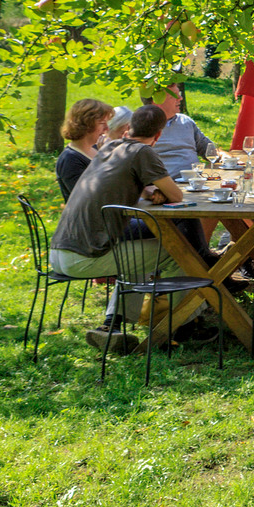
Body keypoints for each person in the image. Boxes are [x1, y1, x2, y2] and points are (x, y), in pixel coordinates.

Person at [49, 102, 186, 354]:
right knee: (180, 251)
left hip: (59, 251)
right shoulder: (140, 152)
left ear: (127, 129)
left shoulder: (107, 148)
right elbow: (177, 195)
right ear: (158, 135)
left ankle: (113, 325)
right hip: (83, 256)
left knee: (134, 253)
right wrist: (164, 194)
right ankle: (175, 327)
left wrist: (155, 193)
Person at [147, 85, 220, 178]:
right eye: (174, 95)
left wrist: (225, 157)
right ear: (157, 101)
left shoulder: (185, 121)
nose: (180, 98)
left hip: (196, 183)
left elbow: (207, 148)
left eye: (179, 94)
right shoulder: (143, 127)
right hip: (166, 188)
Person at [54, 98, 116, 199]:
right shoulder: (70, 159)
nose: (107, 129)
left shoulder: (96, 148)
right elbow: (88, 197)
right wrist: (103, 160)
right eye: (102, 123)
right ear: (87, 124)